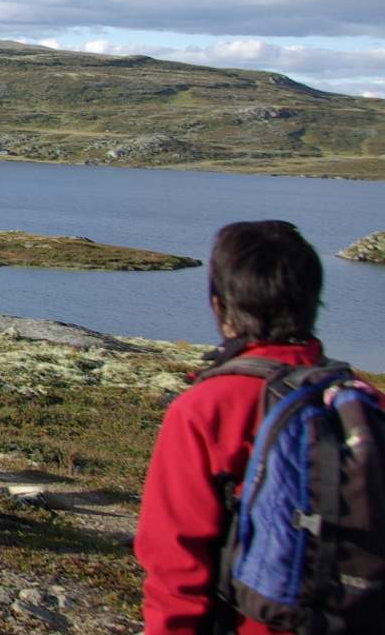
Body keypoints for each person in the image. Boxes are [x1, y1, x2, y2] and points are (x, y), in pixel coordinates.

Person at [135, 221, 362, 635]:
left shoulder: (206, 408)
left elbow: (175, 565)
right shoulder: (364, 403)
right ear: (313, 301)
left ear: (220, 306)